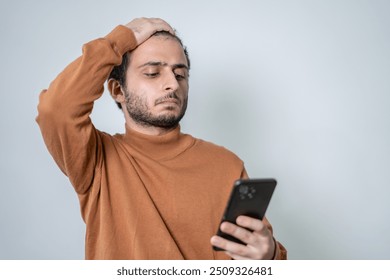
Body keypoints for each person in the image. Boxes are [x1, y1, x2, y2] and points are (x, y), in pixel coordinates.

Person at [36, 17, 287, 260]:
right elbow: (56, 109)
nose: (172, 85)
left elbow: (260, 258)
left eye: (180, 75)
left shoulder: (226, 165)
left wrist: (269, 255)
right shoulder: (97, 159)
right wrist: (121, 38)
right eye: (153, 73)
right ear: (117, 90)